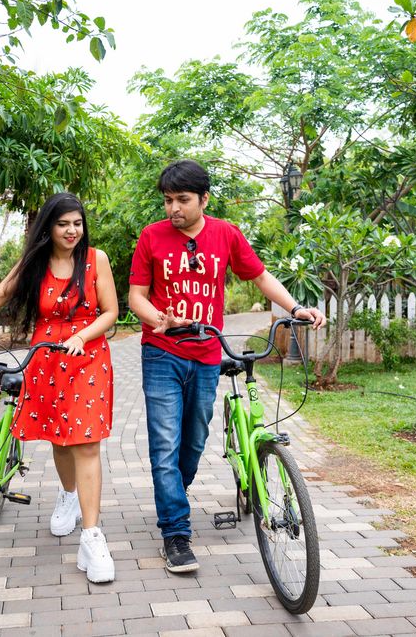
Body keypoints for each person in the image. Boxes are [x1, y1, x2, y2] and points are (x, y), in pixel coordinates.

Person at [127, 159, 326, 574]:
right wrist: (157, 318)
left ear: (204, 199)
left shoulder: (226, 234)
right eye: (167, 201)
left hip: (206, 355)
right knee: (164, 446)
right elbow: (136, 296)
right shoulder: (151, 236)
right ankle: (176, 534)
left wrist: (294, 307)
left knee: (194, 443)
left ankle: (172, 497)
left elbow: (260, 276)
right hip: (161, 353)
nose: (173, 209)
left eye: (182, 200)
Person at [0, 192, 119, 583]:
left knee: (85, 440)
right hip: (47, 356)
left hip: (87, 357)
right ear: (48, 227)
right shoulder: (35, 263)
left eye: (77, 223)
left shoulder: (96, 260)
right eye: (63, 223)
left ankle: (92, 535)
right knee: (59, 437)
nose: (72, 231)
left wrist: (83, 336)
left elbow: (112, 312)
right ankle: (69, 496)